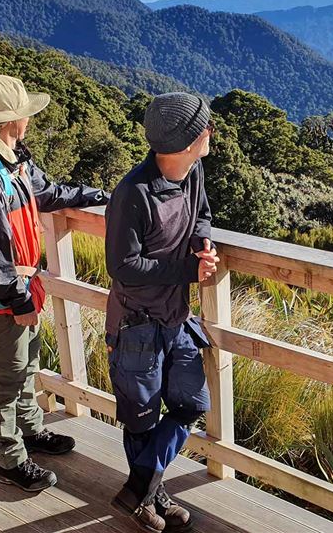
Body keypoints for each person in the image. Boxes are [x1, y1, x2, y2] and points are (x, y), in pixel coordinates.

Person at [0, 75, 109, 492]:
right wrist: (18, 299)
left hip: (23, 288)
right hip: (2, 297)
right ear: (12, 121)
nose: (28, 122)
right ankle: (10, 461)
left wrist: (99, 195)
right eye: (25, 116)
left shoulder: (11, 160)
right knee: (6, 379)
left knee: (27, 367)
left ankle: (30, 432)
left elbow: (50, 193)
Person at [104, 92, 219, 532]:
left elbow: (202, 214)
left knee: (191, 404)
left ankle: (140, 488)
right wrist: (188, 269)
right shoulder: (133, 193)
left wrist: (201, 243)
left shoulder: (193, 171)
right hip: (137, 324)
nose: (210, 133)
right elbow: (123, 267)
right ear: (194, 139)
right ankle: (152, 496)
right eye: (206, 128)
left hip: (175, 317)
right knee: (141, 417)